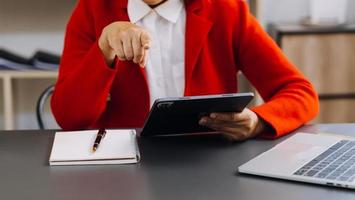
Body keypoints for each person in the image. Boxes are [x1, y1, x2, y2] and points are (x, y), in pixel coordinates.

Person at [51, 0, 319, 141]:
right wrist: (104, 49)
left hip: (210, 161)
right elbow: (70, 118)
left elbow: (300, 92)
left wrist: (257, 122)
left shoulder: (227, 10)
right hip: (123, 165)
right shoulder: (92, 9)